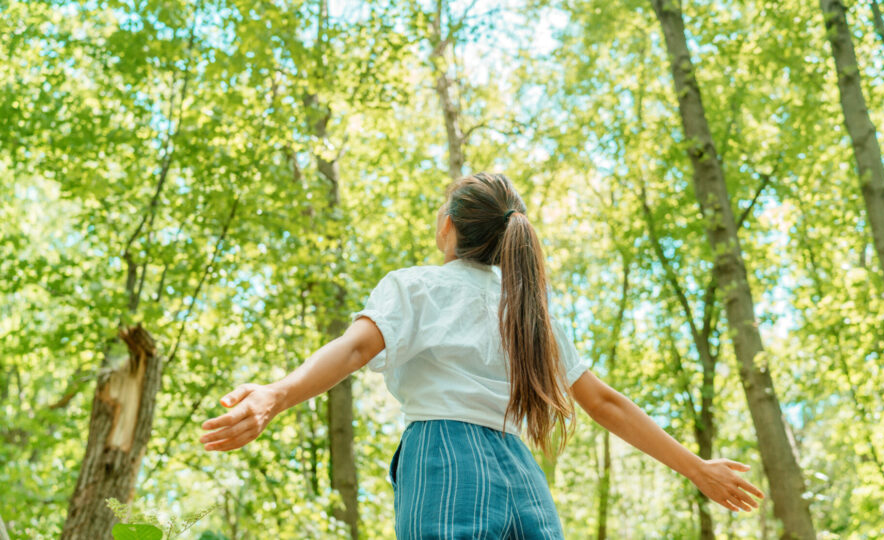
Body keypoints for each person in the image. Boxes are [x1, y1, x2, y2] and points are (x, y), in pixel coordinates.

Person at [200, 172, 764, 538]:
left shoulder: (417, 285)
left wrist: (276, 394)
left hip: (444, 455)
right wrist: (697, 468)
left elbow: (351, 351)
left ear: (448, 227)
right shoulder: (531, 312)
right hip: (520, 471)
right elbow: (605, 402)